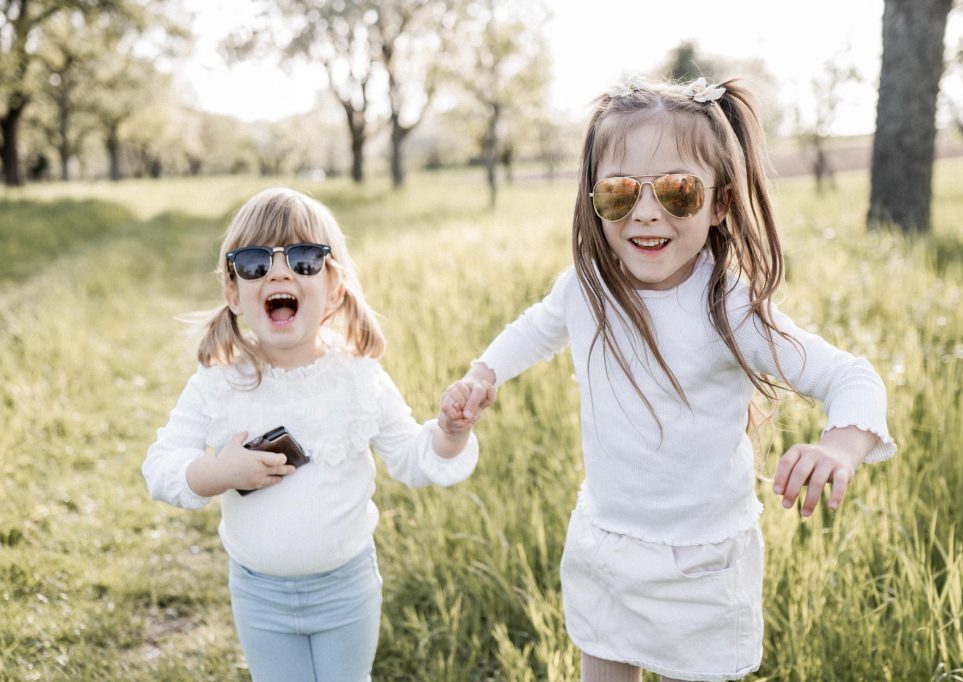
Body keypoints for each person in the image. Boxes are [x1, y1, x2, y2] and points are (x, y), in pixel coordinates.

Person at [443, 77, 896, 682]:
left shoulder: (729, 309)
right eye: (619, 192)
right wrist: (484, 373)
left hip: (702, 564)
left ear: (720, 203)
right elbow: (536, 327)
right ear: (592, 196)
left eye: (679, 192)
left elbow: (851, 375)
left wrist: (840, 445)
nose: (647, 212)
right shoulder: (587, 289)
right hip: (608, 546)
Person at [143, 187, 478, 681]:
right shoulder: (219, 383)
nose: (280, 272)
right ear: (234, 291)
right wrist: (217, 473)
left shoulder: (358, 378)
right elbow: (160, 465)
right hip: (259, 593)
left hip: (346, 588)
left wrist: (449, 433)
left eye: (303, 258)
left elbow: (412, 456)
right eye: (256, 263)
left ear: (335, 286)